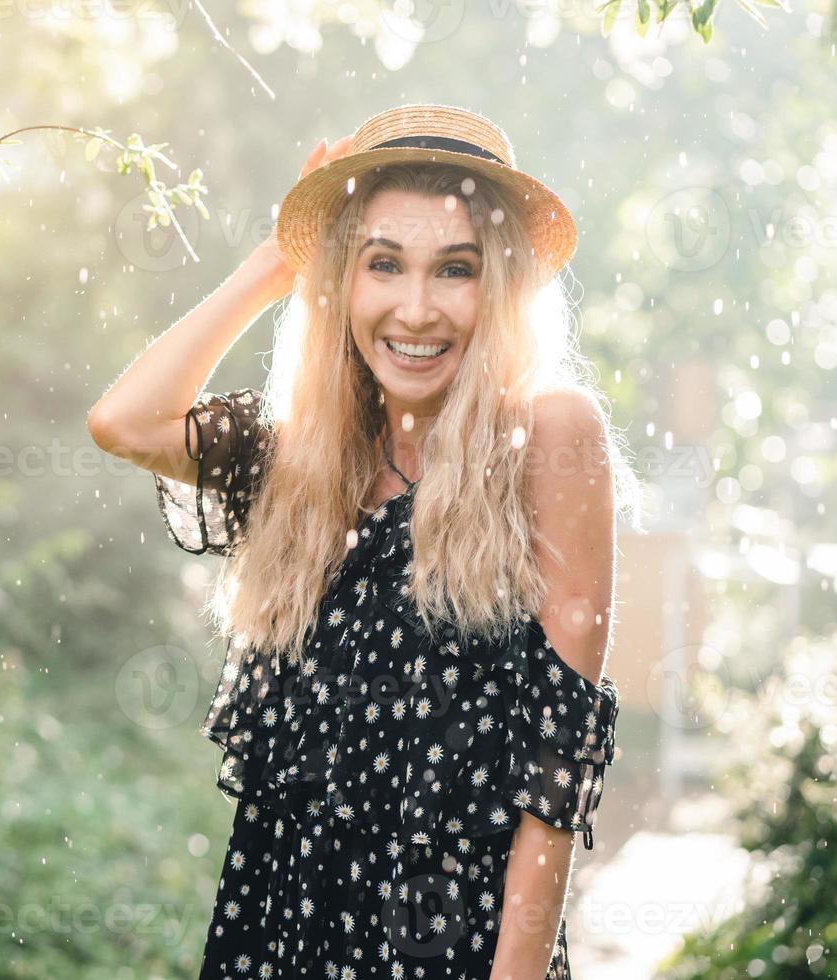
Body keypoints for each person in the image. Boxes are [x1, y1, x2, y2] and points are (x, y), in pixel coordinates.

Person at [88, 104, 643, 980]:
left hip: (453, 944)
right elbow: (124, 420)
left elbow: (558, 755)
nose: (415, 309)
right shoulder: (306, 470)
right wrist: (279, 261)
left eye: (453, 270)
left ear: (496, 289)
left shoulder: (548, 437)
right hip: (283, 931)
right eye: (382, 263)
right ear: (342, 280)